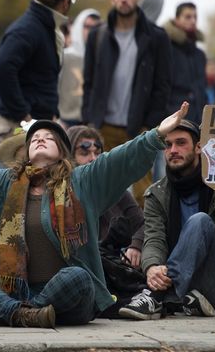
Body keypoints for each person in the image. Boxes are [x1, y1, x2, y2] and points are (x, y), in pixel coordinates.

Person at [0, 99, 189, 328]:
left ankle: (6, 313)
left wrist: (156, 135)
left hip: (71, 297)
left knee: (78, 276)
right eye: (35, 136)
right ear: (25, 151)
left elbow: (120, 159)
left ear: (62, 150)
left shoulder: (82, 182)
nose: (40, 139)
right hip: (17, 290)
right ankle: (23, 313)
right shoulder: (3, 185)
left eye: (48, 136)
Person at [118, 119, 215, 321]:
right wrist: (153, 268)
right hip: (184, 293)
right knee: (165, 254)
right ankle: (171, 296)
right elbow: (154, 239)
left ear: (199, 147)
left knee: (200, 221)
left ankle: (157, 297)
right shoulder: (156, 194)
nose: (173, 150)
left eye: (181, 143)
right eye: (168, 145)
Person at [82, 0, 171, 208]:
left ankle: (142, 242)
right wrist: (89, 120)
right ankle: (104, 242)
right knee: (101, 189)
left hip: (139, 126)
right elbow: (88, 82)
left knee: (144, 193)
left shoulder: (156, 37)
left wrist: (151, 124)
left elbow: (162, 85)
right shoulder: (97, 35)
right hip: (104, 126)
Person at [67, 125, 146, 305]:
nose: (92, 159)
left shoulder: (115, 189)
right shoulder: (62, 195)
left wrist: (136, 245)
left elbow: (143, 224)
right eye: (84, 152)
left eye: (97, 152)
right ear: (70, 157)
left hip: (118, 269)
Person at [0, 0, 75, 141]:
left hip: (35, 125)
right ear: (66, 2)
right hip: (19, 128)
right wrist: (24, 117)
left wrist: (52, 115)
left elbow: (40, 80)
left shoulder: (42, 27)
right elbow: (1, 69)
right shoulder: (28, 29)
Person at [164, 2, 207, 124]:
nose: (193, 21)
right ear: (176, 19)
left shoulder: (200, 55)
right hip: (173, 120)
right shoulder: (166, 50)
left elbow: (202, 89)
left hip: (198, 122)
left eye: (195, 17)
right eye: (188, 17)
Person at [58, 9, 101, 127]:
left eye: (95, 27)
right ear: (78, 27)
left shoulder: (101, 59)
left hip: (91, 122)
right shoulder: (65, 56)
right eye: (87, 26)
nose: (91, 31)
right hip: (66, 120)